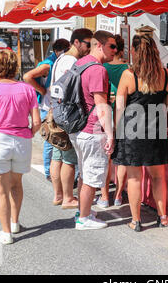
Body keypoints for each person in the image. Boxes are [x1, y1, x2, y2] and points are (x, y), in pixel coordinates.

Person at [111, 34, 168, 232]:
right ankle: (162, 217)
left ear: (133, 51)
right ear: (155, 51)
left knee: (134, 178)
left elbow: (120, 109)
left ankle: (136, 220)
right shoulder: (167, 75)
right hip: (156, 131)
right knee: (158, 177)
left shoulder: (129, 75)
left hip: (132, 132)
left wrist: (115, 132)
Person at [0, 50, 41, 245]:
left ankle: (6, 233)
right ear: (14, 67)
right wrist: (29, 134)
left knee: (0, 189)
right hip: (21, 139)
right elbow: (36, 122)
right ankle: (14, 223)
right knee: (16, 184)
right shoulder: (27, 89)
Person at [69, 30, 117, 230]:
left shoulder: (80, 63)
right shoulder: (98, 70)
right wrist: (110, 134)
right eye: (112, 46)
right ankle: (84, 219)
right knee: (92, 174)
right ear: (99, 45)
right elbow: (101, 105)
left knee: (84, 173)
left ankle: (83, 211)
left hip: (77, 128)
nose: (115, 50)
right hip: (92, 129)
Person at [49, 29, 93, 210]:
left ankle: (58, 195)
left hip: (57, 110)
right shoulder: (73, 61)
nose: (89, 48)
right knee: (68, 157)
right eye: (88, 44)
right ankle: (68, 197)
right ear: (77, 42)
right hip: (68, 113)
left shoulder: (60, 58)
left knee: (57, 154)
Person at [23, 39, 70, 181]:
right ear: (58, 51)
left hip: (52, 105)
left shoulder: (55, 62)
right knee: (50, 140)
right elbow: (27, 76)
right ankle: (48, 172)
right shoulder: (48, 64)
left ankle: (52, 170)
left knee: (54, 140)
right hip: (47, 106)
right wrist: (42, 90)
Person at [98, 34, 129, 208]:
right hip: (124, 113)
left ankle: (104, 197)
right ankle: (118, 195)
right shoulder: (129, 69)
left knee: (106, 155)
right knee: (121, 157)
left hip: (106, 111)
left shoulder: (103, 67)